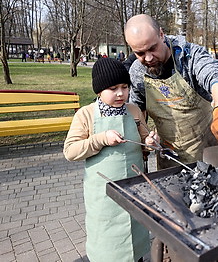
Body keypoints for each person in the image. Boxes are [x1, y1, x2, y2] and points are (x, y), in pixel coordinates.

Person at [63, 58, 159, 262]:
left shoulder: (133, 110)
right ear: (99, 90)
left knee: (135, 241)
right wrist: (101, 139)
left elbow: (144, 137)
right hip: (104, 197)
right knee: (109, 247)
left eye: (124, 87)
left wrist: (151, 141)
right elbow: (70, 151)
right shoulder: (86, 115)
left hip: (135, 190)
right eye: (113, 88)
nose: (120, 93)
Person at [124, 14, 218, 169]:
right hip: (169, 158)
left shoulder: (189, 57)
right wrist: (143, 139)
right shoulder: (137, 72)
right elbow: (138, 109)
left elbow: (216, 77)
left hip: (208, 155)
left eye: (152, 48)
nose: (148, 58)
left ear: (161, 35)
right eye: (140, 53)